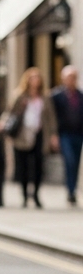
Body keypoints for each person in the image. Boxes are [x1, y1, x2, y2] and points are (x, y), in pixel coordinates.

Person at [4, 67, 55, 208]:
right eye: (32, 78)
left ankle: (36, 195)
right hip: (22, 136)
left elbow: (51, 118)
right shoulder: (20, 96)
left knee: (38, 166)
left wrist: (53, 135)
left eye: (37, 78)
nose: (35, 80)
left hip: (39, 135)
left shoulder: (45, 97)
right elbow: (10, 113)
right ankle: (25, 195)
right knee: (23, 167)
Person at [51, 65, 83, 206]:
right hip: (64, 134)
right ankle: (70, 190)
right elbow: (51, 117)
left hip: (78, 134)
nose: (72, 80)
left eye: (74, 77)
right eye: (69, 77)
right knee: (69, 161)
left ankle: (73, 190)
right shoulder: (56, 96)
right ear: (63, 79)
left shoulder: (81, 96)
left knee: (75, 163)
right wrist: (53, 135)